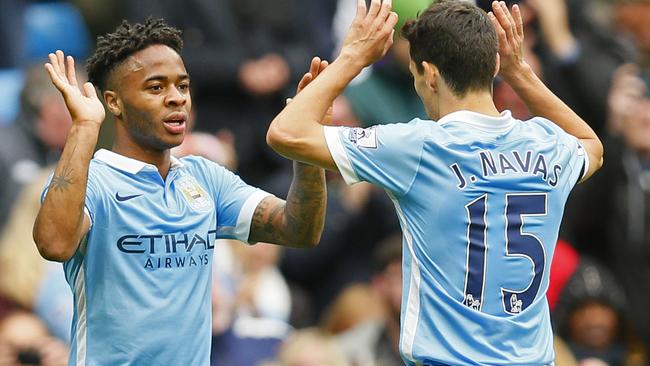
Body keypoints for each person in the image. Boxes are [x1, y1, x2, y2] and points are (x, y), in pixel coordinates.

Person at [266, 0, 603, 364]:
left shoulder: (420, 147)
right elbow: (593, 147)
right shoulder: (545, 144)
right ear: (492, 65)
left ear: (429, 74)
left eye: (414, 76)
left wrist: (352, 58)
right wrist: (519, 71)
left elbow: (286, 132)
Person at [32, 19, 327, 365]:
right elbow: (53, 243)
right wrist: (84, 126)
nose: (176, 98)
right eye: (156, 88)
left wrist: (308, 145)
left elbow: (299, 228)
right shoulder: (93, 181)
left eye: (182, 86)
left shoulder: (207, 178)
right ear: (113, 103)